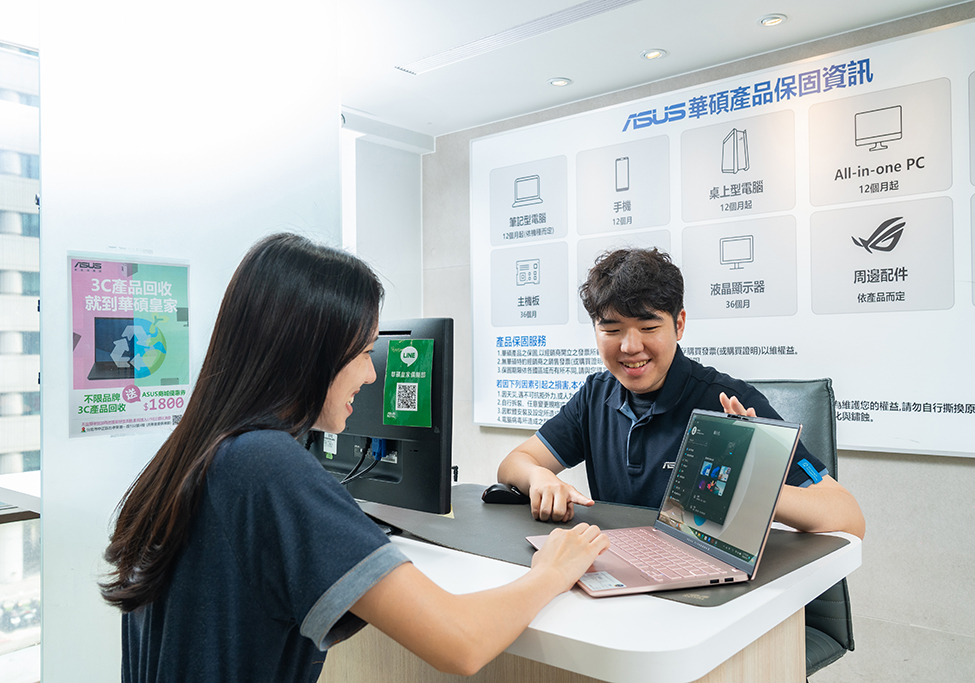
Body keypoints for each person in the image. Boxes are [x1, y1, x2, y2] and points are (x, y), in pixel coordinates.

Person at [100, 233, 609, 682]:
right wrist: (552, 571)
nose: (371, 375)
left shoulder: (194, 452)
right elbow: (460, 641)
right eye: (365, 352)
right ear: (311, 354)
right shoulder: (266, 465)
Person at [497, 247, 865, 539]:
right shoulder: (596, 395)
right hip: (618, 572)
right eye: (611, 330)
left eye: (648, 327)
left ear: (679, 324)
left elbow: (848, 517)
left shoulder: (728, 402)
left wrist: (755, 489)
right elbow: (515, 463)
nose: (630, 346)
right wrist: (539, 477)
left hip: (706, 585)